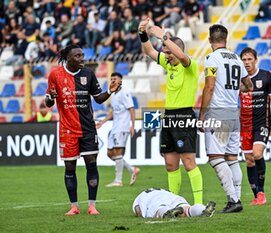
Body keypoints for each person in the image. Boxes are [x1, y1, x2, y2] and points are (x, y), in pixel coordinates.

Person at [45, 44, 121, 216]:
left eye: (82, 55)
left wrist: (110, 90)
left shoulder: (88, 74)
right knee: (70, 167)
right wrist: (50, 98)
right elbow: (48, 102)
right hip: (67, 129)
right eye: (78, 56)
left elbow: (99, 99)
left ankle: (92, 205)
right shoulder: (55, 75)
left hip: (88, 128)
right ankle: (74, 206)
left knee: (91, 164)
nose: (82, 59)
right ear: (68, 58)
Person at [138, 18, 203, 204]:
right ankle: (174, 202)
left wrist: (163, 37)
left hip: (184, 115)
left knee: (189, 162)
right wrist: (143, 33)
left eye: (168, 52)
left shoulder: (190, 65)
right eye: (165, 52)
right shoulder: (169, 65)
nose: (165, 55)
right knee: (170, 164)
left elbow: (181, 57)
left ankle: (198, 203)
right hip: (169, 117)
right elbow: (150, 50)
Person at [199, 24, 253, 213]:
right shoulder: (236, 59)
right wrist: (235, 89)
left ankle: (233, 200)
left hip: (218, 113)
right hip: (233, 113)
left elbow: (209, 87)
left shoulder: (211, 59)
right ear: (226, 39)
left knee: (215, 157)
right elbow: (249, 85)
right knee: (232, 158)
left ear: (209, 40)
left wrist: (202, 115)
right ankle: (236, 200)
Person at [239, 47, 271, 205]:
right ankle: (257, 196)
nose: (247, 62)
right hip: (245, 125)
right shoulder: (239, 80)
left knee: (257, 154)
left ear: (255, 60)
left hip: (262, 122)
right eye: (244, 60)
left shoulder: (266, 76)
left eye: (250, 59)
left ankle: (261, 192)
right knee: (249, 160)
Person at [96, 72, 140, 187]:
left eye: (115, 79)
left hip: (122, 126)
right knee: (110, 153)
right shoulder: (113, 95)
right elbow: (113, 112)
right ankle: (132, 170)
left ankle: (118, 180)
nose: (113, 81)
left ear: (121, 80)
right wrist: (103, 121)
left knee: (117, 152)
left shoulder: (124, 93)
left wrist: (132, 125)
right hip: (115, 127)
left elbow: (131, 109)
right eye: (111, 79)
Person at [132, 188, 216, 218]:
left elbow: (137, 209)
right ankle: (203, 209)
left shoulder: (140, 198)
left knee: (159, 210)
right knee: (187, 210)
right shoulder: (161, 190)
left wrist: (139, 215)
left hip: (156, 200)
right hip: (172, 196)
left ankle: (167, 212)